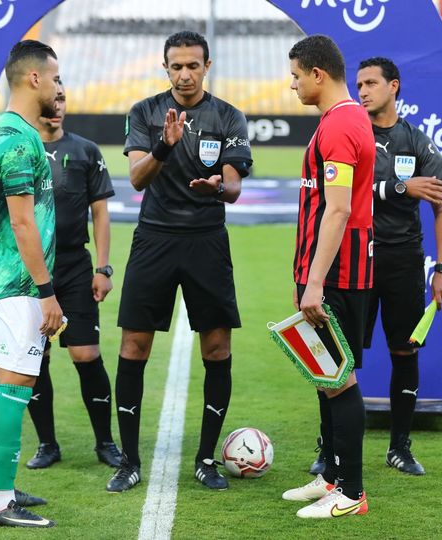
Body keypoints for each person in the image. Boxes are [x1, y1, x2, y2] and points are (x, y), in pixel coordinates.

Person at [106, 30, 253, 493]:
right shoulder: (145, 112)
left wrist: (219, 186)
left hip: (207, 241)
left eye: (193, 65)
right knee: (134, 346)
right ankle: (129, 461)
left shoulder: (228, 116)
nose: (185, 74)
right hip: (154, 238)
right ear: (165, 67)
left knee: (217, 349)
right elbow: (136, 178)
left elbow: (234, 186)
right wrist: (164, 146)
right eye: (176, 66)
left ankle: (206, 459)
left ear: (207, 65)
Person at [280, 35, 375, 519]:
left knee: (338, 379)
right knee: (325, 376)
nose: (292, 85)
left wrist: (314, 282)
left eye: (296, 76)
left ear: (318, 74)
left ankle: (351, 493)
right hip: (329, 269)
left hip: (336, 272)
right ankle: (333, 477)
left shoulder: (339, 125)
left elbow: (337, 211)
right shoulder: (344, 119)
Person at [0, 40, 64, 529]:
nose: (58, 87)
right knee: (16, 385)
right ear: (34, 78)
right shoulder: (17, 140)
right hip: (19, 286)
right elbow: (22, 222)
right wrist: (45, 291)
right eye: (55, 78)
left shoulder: (5, 132)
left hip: (0, 278)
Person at [356, 57, 442, 475]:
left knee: (404, 350)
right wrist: (400, 186)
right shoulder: (352, 135)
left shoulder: (416, 141)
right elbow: (343, 193)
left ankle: (400, 447)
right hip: (356, 257)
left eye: (370, 83)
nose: (363, 91)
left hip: (403, 262)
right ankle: (330, 447)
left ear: (393, 86)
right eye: (359, 85)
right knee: (341, 356)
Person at [24, 80, 122, 470]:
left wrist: (103, 268)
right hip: (30, 270)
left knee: (86, 354)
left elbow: (100, 213)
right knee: (37, 358)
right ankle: (47, 444)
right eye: (53, 98)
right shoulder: (20, 150)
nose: (58, 104)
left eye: (62, 98)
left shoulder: (85, 151)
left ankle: (105, 442)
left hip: (75, 267)